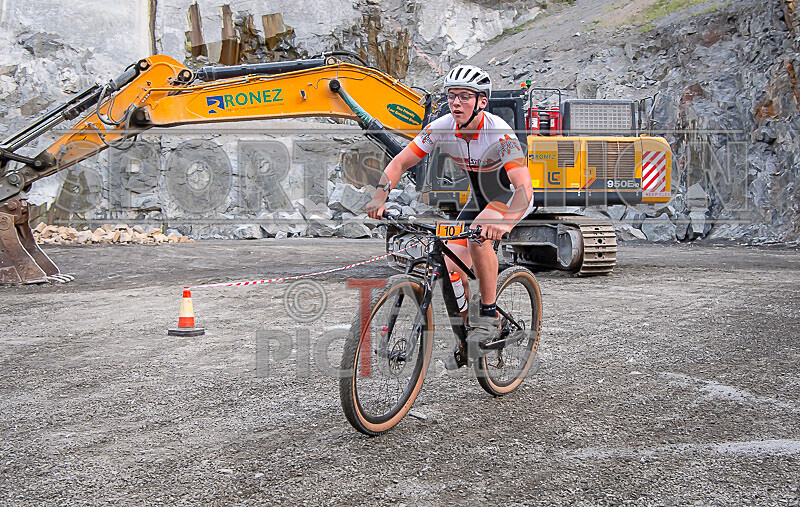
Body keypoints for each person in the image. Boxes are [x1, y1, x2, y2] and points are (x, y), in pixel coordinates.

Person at [366, 64, 534, 368]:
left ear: (482, 101)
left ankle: (489, 313)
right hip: (476, 198)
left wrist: (505, 223)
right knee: (448, 263)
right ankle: (465, 339)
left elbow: (524, 188)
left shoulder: (499, 134)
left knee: (478, 239)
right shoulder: (441, 127)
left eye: (465, 96)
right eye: (451, 96)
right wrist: (380, 195)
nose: (456, 102)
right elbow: (401, 162)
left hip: (506, 196)